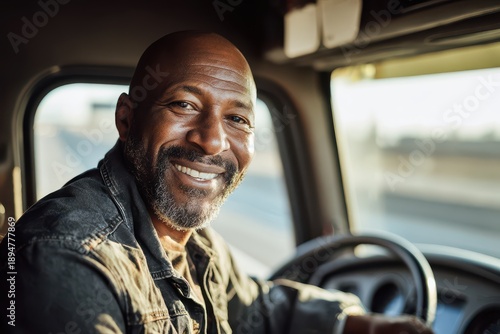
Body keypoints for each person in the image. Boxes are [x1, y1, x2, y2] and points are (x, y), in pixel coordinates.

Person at [0, 31, 433, 334]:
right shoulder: (65, 256)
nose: (211, 140)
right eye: (185, 104)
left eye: (237, 118)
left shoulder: (193, 242)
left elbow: (254, 308)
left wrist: (361, 324)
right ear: (127, 120)